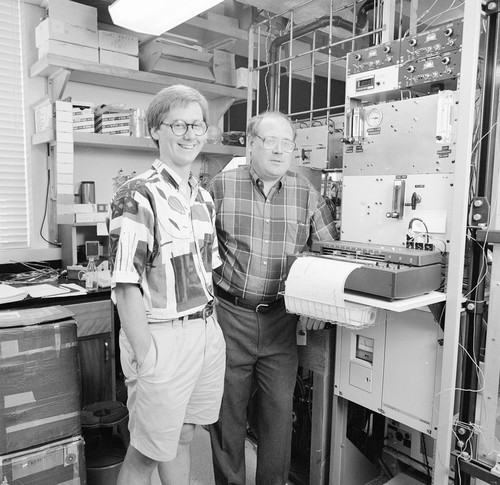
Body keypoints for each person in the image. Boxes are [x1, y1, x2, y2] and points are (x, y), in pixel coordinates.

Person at [208, 110, 338, 485]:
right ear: (251, 145)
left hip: (282, 321)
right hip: (231, 317)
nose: (280, 151)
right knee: (227, 417)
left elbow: (327, 253)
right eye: (270, 141)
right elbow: (200, 255)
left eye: (287, 143)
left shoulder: (304, 192)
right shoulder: (221, 187)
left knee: (279, 418)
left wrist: (318, 303)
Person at [107, 84, 226, 485]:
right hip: (161, 338)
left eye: (197, 124)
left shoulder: (203, 199)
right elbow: (125, 285)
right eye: (179, 124)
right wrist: (146, 355)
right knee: (145, 453)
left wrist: (212, 334)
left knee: (185, 435)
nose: (190, 133)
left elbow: (206, 274)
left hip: (204, 332)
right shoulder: (138, 194)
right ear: (156, 130)